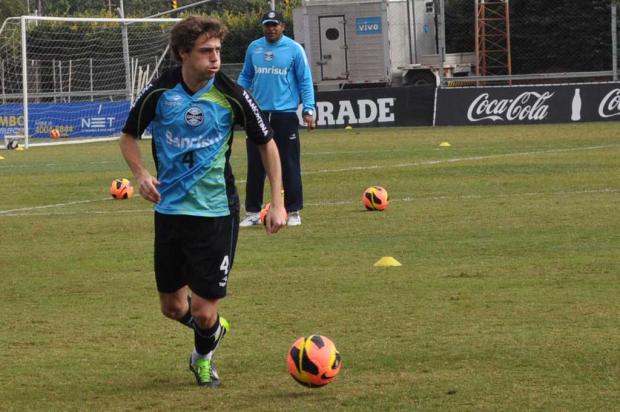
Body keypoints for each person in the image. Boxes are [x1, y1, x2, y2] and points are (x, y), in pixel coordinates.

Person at [119, 16, 287, 388]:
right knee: (173, 308)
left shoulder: (231, 93)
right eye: (206, 51)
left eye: (218, 51)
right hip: (169, 211)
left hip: (215, 214)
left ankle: (203, 358)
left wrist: (277, 202)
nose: (215, 59)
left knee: (204, 310)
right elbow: (129, 135)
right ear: (183, 54)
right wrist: (142, 174)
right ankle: (211, 332)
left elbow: (267, 143)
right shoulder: (161, 91)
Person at [238, 10, 316, 227]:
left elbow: (305, 81)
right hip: (258, 113)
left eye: (275, 25)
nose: (271, 29)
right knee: (255, 164)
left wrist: (308, 109)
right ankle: (252, 212)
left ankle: (293, 211)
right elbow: (245, 76)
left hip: (285, 114)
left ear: (282, 26)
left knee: (289, 163)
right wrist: (237, 99)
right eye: (267, 25)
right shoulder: (254, 47)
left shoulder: (294, 49)